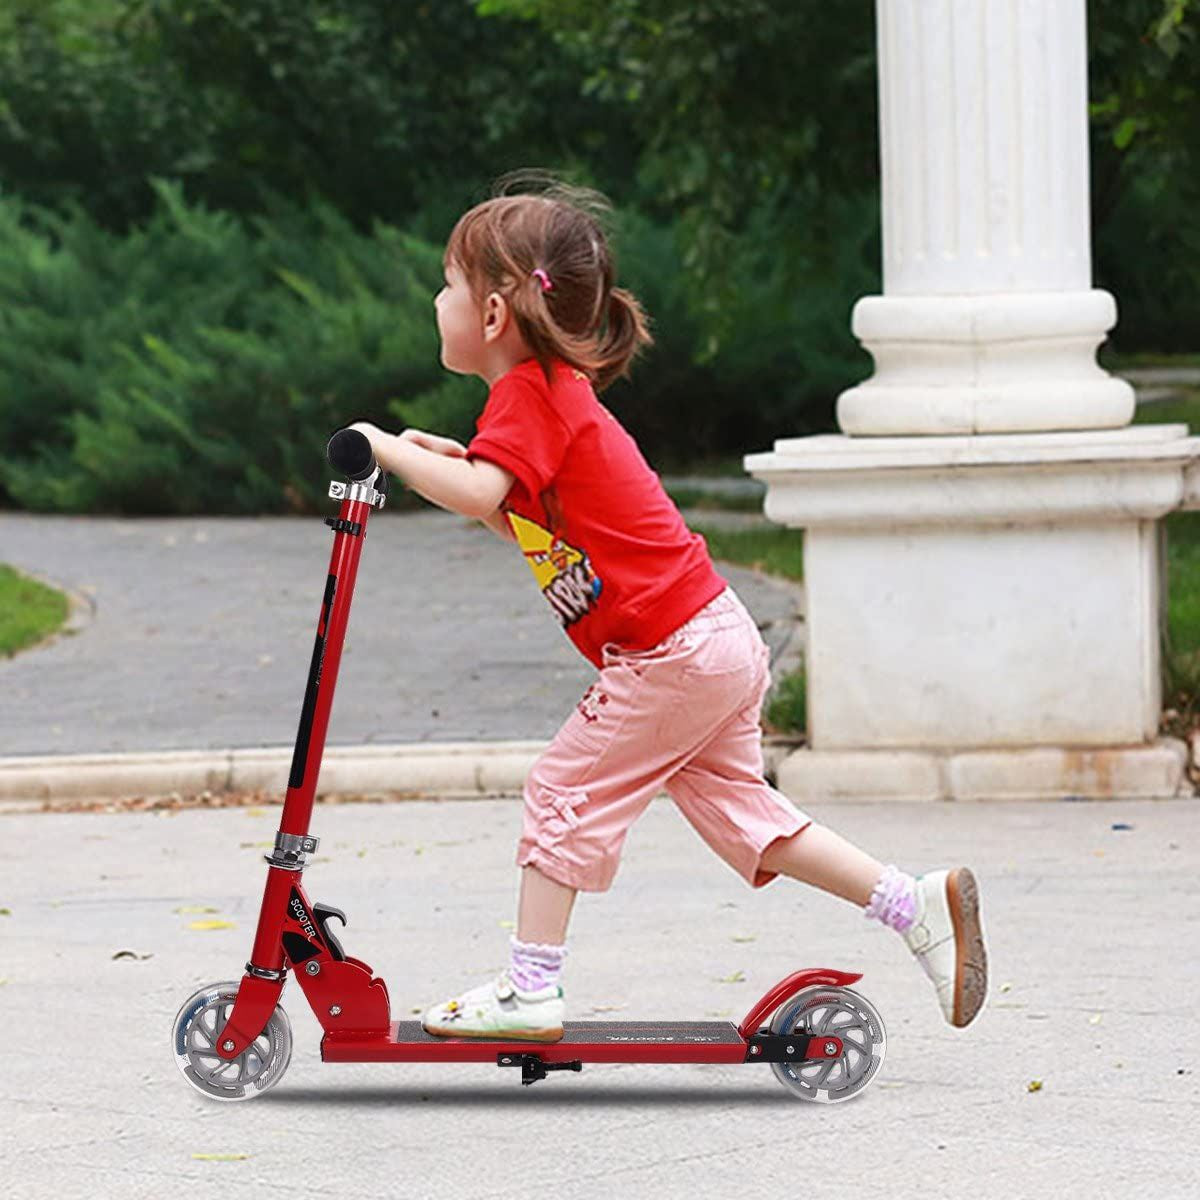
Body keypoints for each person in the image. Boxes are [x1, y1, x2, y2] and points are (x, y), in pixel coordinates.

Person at [348, 179, 988, 1043]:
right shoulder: (547, 394)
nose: (437, 299)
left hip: (671, 652)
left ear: (494, 313)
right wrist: (449, 462)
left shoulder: (531, 393)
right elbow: (515, 514)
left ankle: (531, 988)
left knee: (561, 787)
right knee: (747, 818)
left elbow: (478, 495)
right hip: (711, 637)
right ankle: (913, 906)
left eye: (447, 283)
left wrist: (385, 447)